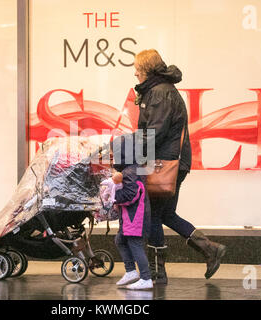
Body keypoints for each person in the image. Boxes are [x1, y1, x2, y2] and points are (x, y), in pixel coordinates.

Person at [133, 49, 226, 284]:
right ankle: (209, 249)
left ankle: (156, 271)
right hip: (174, 161)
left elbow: (154, 133)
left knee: (154, 214)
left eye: (137, 69)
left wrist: (131, 153)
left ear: (146, 70)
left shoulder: (159, 93)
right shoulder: (163, 90)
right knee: (166, 213)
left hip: (165, 163)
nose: (135, 73)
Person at [106, 134, 153, 290]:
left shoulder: (131, 172)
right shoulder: (132, 169)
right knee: (120, 240)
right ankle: (131, 271)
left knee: (135, 245)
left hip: (135, 219)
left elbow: (131, 195)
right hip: (130, 218)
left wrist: (114, 197)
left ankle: (146, 277)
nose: (113, 157)